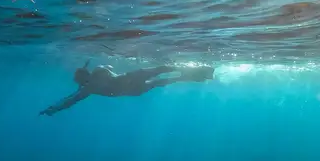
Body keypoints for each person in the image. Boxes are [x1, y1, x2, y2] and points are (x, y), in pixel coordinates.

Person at [39, 60, 215, 116]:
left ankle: (193, 74)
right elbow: (70, 101)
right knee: (159, 73)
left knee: (158, 80)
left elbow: (69, 101)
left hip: (130, 88)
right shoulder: (91, 83)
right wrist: (53, 109)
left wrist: (52, 109)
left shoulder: (86, 89)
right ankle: (196, 73)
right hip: (129, 82)